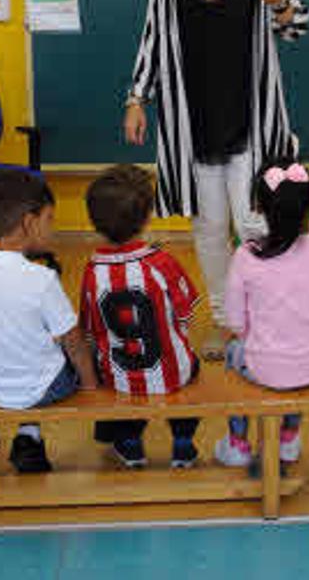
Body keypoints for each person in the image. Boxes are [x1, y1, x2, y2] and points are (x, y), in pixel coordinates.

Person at [122, 0, 309, 360]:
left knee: (256, 227)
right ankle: (228, 324)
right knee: (208, 231)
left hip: (251, 122)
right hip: (191, 125)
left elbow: (297, 28)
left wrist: (279, 3)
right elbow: (152, 39)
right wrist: (137, 97)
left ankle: (267, 321)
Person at [0, 169, 98, 473]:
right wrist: (90, 387)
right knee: (89, 344)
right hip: (44, 389)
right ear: (29, 223)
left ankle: (29, 433)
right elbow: (73, 342)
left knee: (21, 343)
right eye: (49, 220)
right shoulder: (42, 278)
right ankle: (29, 434)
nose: (52, 230)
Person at [214, 159, 309, 470]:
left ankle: (238, 442)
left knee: (233, 351)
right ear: (308, 206)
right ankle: (288, 436)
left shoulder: (246, 256)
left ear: (259, 206)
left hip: (265, 368)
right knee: (298, 358)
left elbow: (235, 322)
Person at [80, 164, 201, 470]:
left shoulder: (93, 271)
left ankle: (131, 444)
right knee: (190, 368)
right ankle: (183, 443)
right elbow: (185, 314)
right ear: (147, 217)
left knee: (117, 380)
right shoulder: (162, 262)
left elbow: (91, 332)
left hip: (121, 377)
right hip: (173, 374)